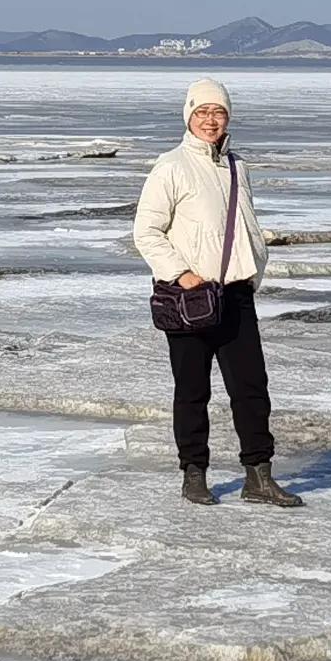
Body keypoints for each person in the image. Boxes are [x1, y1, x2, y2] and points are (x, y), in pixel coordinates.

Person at [133, 76, 300, 508]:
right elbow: (146, 233)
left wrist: (254, 271)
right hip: (190, 298)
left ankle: (258, 476)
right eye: (202, 112)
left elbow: (245, 226)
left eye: (218, 112)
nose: (211, 120)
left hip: (236, 295)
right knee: (192, 390)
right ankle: (194, 475)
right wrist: (181, 274)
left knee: (251, 389)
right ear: (188, 116)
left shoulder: (236, 165)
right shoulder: (170, 166)